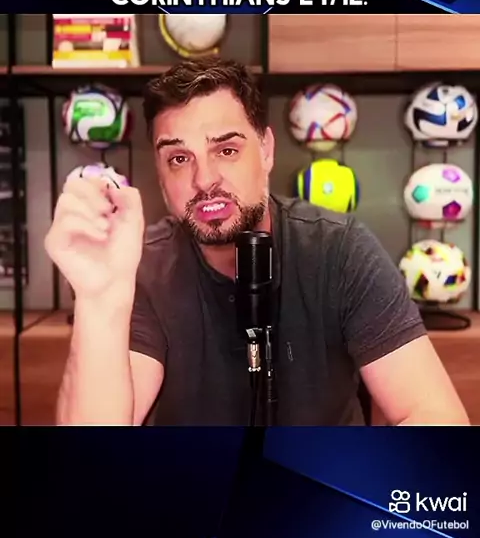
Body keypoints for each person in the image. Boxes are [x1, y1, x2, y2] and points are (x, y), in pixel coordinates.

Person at [45, 57, 470, 427]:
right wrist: (100, 298)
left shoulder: (340, 250)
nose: (204, 179)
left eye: (226, 150)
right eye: (179, 158)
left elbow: (433, 414)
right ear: (159, 175)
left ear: (266, 150)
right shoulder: (143, 267)